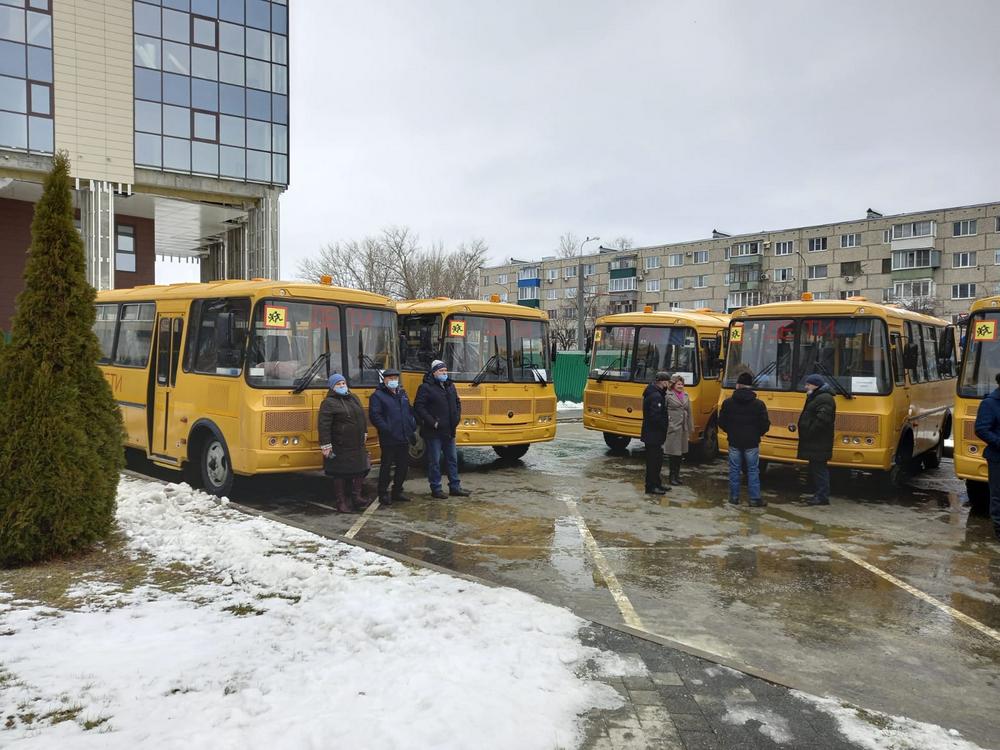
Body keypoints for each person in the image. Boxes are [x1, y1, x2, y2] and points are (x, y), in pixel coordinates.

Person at [414, 360, 471, 499]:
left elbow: (457, 402)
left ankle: (455, 487)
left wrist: (456, 418)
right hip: (434, 432)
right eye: (441, 371)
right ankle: (436, 488)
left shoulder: (450, 385)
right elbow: (419, 407)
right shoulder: (425, 387)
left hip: (449, 431)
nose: (444, 373)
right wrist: (432, 422)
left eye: (445, 370)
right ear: (434, 373)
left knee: (452, 459)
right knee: (435, 461)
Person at [318, 373, 372, 514]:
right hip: (340, 444)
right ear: (332, 387)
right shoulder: (328, 403)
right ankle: (341, 502)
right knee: (339, 473)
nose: (342, 386)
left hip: (357, 443)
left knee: (360, 469)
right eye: (338, 384)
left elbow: (361, 416)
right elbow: (324, 425)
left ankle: (356, 497)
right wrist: (326, 445)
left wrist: (364, 431)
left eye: (343, 383)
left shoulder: (353, 398)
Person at [718, 371, 770, 507]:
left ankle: (734, 498)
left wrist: (730, 431)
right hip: (752, 442)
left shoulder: (728, 403)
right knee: (753, 470)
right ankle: (755, 499)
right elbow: (765, 424)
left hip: (734, 441)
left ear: (738, 385)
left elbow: (721, 422)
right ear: (750, 386)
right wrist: (757, 434)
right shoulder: (758, 404)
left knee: (734, 469)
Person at [368, 368, 417, 507]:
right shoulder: (377, 396)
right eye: (390, 378)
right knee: (386, 466)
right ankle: (383, 493)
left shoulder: (402, 393)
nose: (393, 381)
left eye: (396, 378)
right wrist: (386, 429)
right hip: (389, 437)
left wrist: (411, 426)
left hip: (403, 436)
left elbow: (408, 411)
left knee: (403, 466)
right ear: (384, 380)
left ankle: (397, 491)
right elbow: (375, 415)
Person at [797, 373, 836, 507]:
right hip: (816, 441)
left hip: (819, 441)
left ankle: (822, 496)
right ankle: (819, 494)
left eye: (808, 384)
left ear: (815, 385)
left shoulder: (824, 399)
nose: (805, 386)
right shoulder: (817, 397)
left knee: (820, 469)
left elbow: (822, 420)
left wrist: (809, 431)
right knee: (816, 468)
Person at [973, 372, 1000, 541]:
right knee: (998, 494)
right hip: (997, 457)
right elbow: (981, 429)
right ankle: (998, 528)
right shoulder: (990, 403)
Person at [640, 371, 672, 495]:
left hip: (653, 434)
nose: (669, 384)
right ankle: (651, 486)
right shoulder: (656, 396)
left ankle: (656, 483)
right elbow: (655, 417)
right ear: (663, 382)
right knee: (653, 462)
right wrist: (665, 425)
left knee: (657, 461)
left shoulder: (656, 393)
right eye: (668, 382)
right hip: (653, 435)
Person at [664, 374, 693, 486]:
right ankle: (672, 477)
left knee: (680, 454)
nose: (681, 386)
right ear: (673, 385)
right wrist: (668, 422)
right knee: (673, 453)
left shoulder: (686, 395)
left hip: (683, 428)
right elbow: (664, 411)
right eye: (679, 384)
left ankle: (677, 475)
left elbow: (689, 412)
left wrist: (690, 427)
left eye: (682, 384)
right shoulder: (668, 395)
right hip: (673, 427)